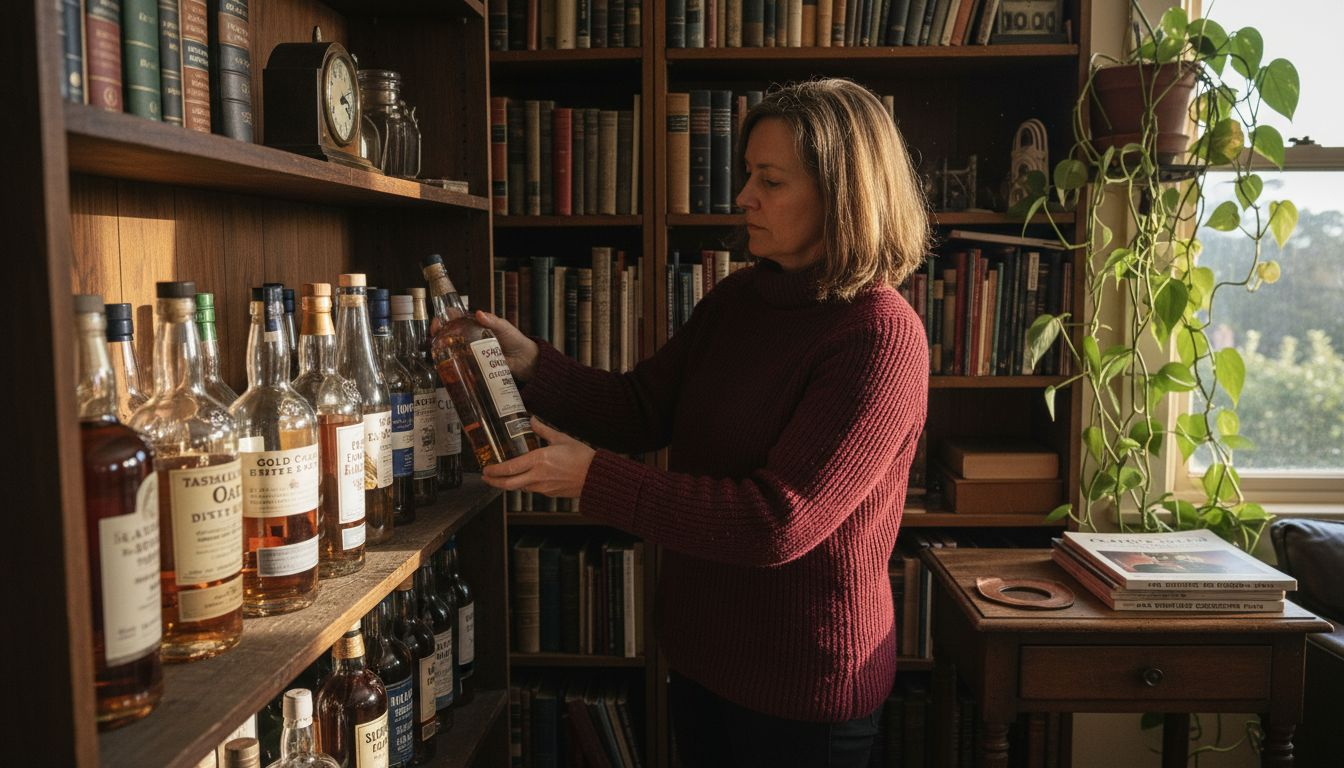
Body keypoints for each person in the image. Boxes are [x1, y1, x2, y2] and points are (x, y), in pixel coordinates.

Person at [477, 78, 930, 767]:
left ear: (844, 196)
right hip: (702, 658)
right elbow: (642, 408)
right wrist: (535, 364)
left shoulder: (880, 336)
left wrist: (595, 480)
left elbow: (778, 522)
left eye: (770, 180)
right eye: (749, 173)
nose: (744, 196)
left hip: (802, 694)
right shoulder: (739, 298)